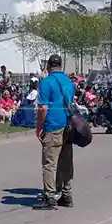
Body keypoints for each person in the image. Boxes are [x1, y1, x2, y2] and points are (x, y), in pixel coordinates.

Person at [33, 54, 75, 210]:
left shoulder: (46, 82)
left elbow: (43, 108)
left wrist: (39, 127)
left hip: (53, 126)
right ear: (61, 66)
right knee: (66, 162)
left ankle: (49, 197)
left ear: (48, 66)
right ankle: (67, 195)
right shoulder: (69, 82)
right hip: (68, 126)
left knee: (49, 164)